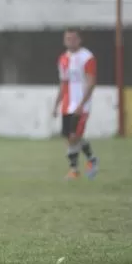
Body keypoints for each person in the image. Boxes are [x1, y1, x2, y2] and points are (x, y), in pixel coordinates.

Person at [53, 28, 98, 180]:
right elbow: (63, 83)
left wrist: (82, 104)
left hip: (82, 105)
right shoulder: (63, 59)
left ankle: (75, 170)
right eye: (67, 38)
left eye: (73, 38)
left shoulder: (87, 57)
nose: (70, 41)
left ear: (79, 40)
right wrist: (56, 104)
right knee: (70, 138)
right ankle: (90, 159)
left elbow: (91, 82)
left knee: (74, 136)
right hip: (67, 104)